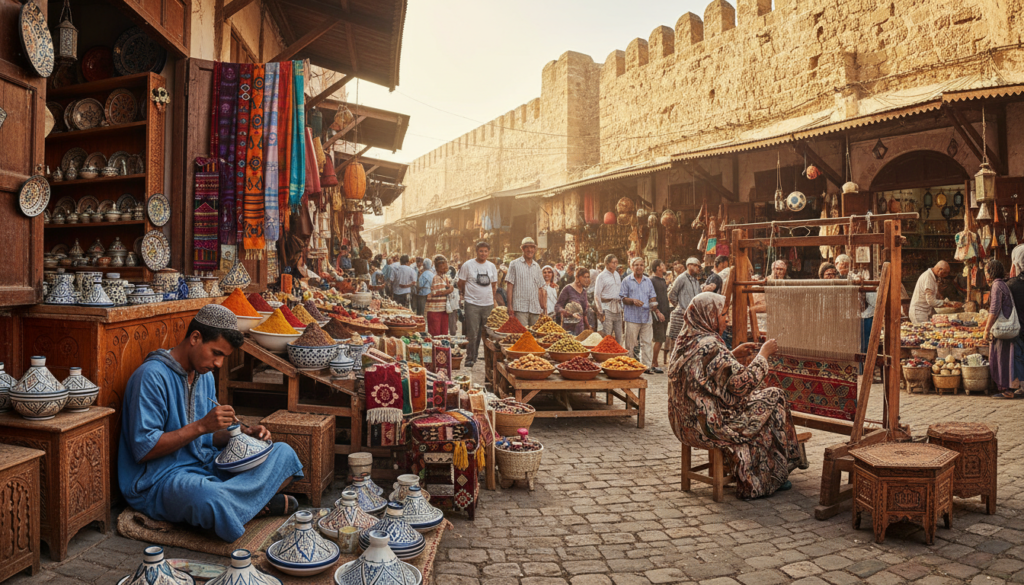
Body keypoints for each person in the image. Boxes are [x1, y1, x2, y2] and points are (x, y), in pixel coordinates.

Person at [118, 305, 304, 542]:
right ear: (195, 338)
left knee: (284, 454)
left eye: (224, 357)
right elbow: (144, 449)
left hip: (205, 465)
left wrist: (243, 433)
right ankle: (246, 504)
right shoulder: (150, 376)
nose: (219, 364)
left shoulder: (204, 375)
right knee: (208, 497)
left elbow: (209, 437)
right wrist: (201, 426)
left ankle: (232, 509)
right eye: (216, 353)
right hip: (162, 480)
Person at [667, 292, 801, 500]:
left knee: (762, 401)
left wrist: (732, 354)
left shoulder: (685, 341)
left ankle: (771, 465)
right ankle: (771, 472)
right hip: (711, 426)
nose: (727, 320)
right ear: (708, 316)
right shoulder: (712, 345)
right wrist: (763, 355)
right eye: (722, 315)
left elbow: (704, 372)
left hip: (683, 424)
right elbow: (742, 385)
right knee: (775, 396)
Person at [982, 259, 1022, 398]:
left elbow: (994, 309)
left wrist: (986, 329)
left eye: (986, 271)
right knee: (1006, 358)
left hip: (1002, 329)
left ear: (991, 272)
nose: (985, 274)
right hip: (1005, 328)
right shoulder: (1002, 284)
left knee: (1001, 358)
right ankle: (1008, 388)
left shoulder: (997, 285)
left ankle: (1007, 390)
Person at [457, 241, 499, 368]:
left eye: (486, 251)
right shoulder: (468, 265)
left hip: (488, 304)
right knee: (472, 332)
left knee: (488, 333)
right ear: (476, 252)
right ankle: (470, 358)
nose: (483, 253)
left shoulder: (491, 266)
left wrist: (493, 300)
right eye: (481, 251)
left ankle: (489, 359)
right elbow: (461, 283)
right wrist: (465, 295)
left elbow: (494, 285)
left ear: (489, 252)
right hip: (472, 304)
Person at [620, 257, 658, 373]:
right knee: (630, 344)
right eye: (636, 265)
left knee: (647, 342)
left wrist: (654, 304)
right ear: (632, 267)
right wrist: (633, 301)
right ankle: (629, 366)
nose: (639, 267)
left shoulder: (648, 281)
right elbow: (623, 298)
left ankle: (646, 366)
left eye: (641, 265)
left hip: (646, 316)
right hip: (632, 317)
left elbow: (652, 296)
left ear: (644, 267)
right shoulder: (626, 281)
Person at [505, 237, 546, 327]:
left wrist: (543, 307)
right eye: (526, 247)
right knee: (522, 333)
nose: (529, 250)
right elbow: (510, 286)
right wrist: (510, 306)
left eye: (532, 247)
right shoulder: (514, 264)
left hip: (535, 308)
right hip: (520, 307)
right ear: (522, 249)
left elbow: (540, 288)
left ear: (534, 250)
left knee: (535, 334)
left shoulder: (537, 266)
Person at [668, 257, 703, 342]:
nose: (698, 268)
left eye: (699, 267)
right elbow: (671, 295)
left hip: (691, 317)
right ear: (689, 266)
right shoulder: (681, 278)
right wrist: (680, 307)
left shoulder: (696, 281)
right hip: (680, 316)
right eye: (696, 266)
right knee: (677, 343)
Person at [594, 255, 624, 342]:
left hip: (617, 309)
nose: (615, 265)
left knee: (619, 336)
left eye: (616, 262)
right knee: (607, 336)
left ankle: (619, 351)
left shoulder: (617, 274)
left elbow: (620, 292)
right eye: (613, 263)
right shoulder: (601, 276)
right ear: (607, 264)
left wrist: (622, 307)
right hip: (606, 308)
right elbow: (597, 295)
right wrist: (600, 311)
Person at [555, 267, 591, 335]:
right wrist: (568, 313)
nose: (587, 279)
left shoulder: (584, 292)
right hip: (569, 328)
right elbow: (557, 306)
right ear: (577, 277)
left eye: (588, 277)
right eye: (584, 277)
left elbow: (584, 314)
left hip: (580, 328)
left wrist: (588, 326)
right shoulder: (568, 289)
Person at [650, 259, 670, 373]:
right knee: (658, 338)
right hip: (658, 314)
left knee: (661, 339)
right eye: (662, 265)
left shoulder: (662, 280)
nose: (664, 266)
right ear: (657, 268)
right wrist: (657, 311)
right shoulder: (652, 280)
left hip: (665, 312)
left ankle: (655, 361)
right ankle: (654, 362)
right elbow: (652, 298)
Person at [426, 256, 453, 336]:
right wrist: (448, 291)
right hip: (434, 310)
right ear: (437, 267)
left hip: (444, 309)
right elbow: (432, 293)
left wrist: (450, 288)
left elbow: (448, 287)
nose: (445, 268)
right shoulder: (434, 277)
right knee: (435, 334)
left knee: (444, 335)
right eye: (443, 266)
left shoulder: (445, 277)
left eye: (446, 265)